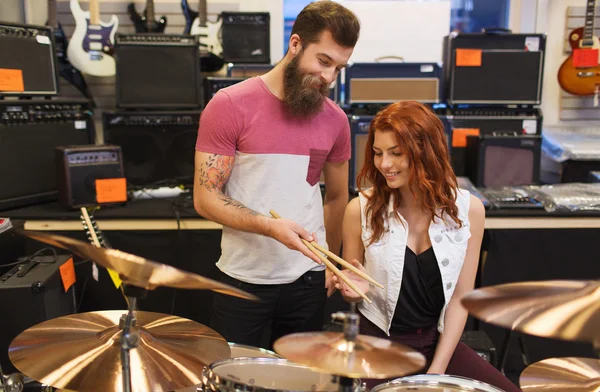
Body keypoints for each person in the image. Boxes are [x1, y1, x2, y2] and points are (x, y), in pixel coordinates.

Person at [193, 1, 361, 348]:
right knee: (233, 378)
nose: (329, 77)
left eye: (339, 68)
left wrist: (330, 258)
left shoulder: (336, 120)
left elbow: (336, 197)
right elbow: (205, 198)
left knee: (301, 381)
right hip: (243, 279)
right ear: (295, 44)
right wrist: (269, 226)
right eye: (323, 61)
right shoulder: (229, 105)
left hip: (308, 281)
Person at [332, 101, 521, 392]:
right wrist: (354, 293)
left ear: (425, 153)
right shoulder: (360, 210)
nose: (384, 164)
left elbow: (461, 297)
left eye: (396, 153)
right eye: (378, 153)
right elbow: (354, 294)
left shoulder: (469, 210)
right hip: (377, 345)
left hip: (438, 345)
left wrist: (436, 372)